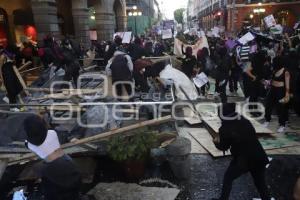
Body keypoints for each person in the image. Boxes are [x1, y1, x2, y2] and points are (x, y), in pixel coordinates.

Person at [212, 103, 271, 200]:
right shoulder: (244, 120)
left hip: (243, 160)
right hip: (258, 155)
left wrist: (216, 142)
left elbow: (223, 147)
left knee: (228, 178)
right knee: (260, 184)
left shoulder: (224, 128)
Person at [23, 115, 81, 200]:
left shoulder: (29, 144)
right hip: (67, 161)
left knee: (54, 193)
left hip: (51, 168)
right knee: (73, 189)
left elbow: (27, 141)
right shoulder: (52, 133)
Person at [263, 56, 290, 133]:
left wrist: (287, 94)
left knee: (280, 107)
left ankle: (282, 124)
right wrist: (267, 82)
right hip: (272, 89)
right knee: (268, 104)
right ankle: (267, 120)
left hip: (280, 91)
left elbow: (287, 84)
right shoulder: (274, 70)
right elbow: (272, 80)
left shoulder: (285, 71)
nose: (272, 63)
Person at [0, 45, 23, 111]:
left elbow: (13, 63)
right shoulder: (3, 56)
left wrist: (13, 60)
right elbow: (0, 68)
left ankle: (7, 97)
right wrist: (2, 78)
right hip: (6, 74)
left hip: (11, 73)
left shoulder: (10, 55)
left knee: (18, 87)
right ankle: (12, 107)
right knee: (11, 90)